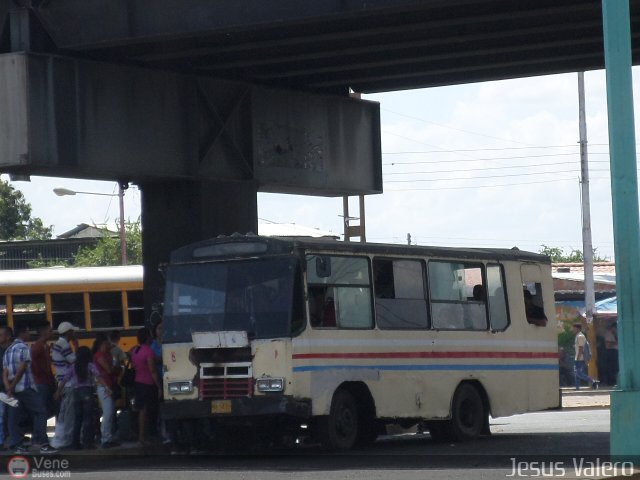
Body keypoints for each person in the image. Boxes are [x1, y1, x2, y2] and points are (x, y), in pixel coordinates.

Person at [3, 325, 56, 453]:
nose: (29, 335)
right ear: (22, 334)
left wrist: (8, 388)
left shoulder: (7, 351)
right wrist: (14, 384)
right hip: (25, 387)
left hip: (12, 390)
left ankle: (17, 445)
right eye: (27, 332)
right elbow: (22, 368)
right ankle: (41, 443)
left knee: (14, 416)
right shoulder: (23, 347)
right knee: (40, 412)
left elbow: (4, 372)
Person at [55, 346, 111, 450]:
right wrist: (106, 387)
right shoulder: (90, 365)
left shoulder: (73, 366)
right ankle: (87, 443)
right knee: (88, 419)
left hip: (76, 393)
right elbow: (98, 376)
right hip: (87, 391)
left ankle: (75, 443)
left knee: (78, 419)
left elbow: (64, 379)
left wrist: (58, 392)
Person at [50, 321, 79, 449]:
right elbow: (75, 361)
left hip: (62, 382)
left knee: (63, 413)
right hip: (67, 384)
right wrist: (77, 346)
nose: (74, 334)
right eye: (73, 331)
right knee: (69, 414)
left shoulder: (58, 344)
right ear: (68, 333)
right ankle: (66, 440)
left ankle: (60, 438)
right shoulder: (64, 344)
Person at [131, 327, 161, 445]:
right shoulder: (148, 351)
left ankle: (141, 436)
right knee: (149, 411)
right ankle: (147, 436)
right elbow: (152, 370)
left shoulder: (136, 350)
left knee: (141, 411)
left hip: (138, 382)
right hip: (148, 384)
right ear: (148, 337)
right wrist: (159, 386)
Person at [92, 334, 119, 448]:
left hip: (108, 386)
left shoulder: (107, 354)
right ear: (103, 344)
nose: (110, 344)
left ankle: (108, 437)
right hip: (104, 387)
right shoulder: (99, 355)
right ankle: (105, 438)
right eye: (108, 342)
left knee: (111, 412)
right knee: (108, 413)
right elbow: (109, 369)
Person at [31, 323, 56, 419]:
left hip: (47, 381)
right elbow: (31, 361)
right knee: (41, 410)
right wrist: (39, 373)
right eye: (50, 331)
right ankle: (39, 433)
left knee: (47, 409)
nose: (52, 333)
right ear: (43, 332)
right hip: (41, 382)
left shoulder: (45, 346)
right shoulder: (38, 346)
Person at [573, 323, 599, 390]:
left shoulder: (580, 336)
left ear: (578, 328)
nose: (573, 330)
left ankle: (593, 381)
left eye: (574, 328)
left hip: (580, 358)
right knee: (577, 374)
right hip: (578, 357)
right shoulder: (578, 336)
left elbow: (581, 348)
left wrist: (578, 358)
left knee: (578, 373)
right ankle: (577, 388)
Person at [0, 326, 13, 449]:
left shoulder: (12, 350)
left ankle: (12, 437)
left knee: (12, 414)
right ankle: (1, 440)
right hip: (3, 389)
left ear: (8, 336)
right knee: (1, 415)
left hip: (11, 388)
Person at [604, 322, 619, 386]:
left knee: (616, 367)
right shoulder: (608, 334)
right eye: (615, 328)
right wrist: (616, 342)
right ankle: (610, 382)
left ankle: (615, 381)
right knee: (611, 367)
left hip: (616, 351)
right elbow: (608, 344)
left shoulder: (617, 334)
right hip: (610, 351)